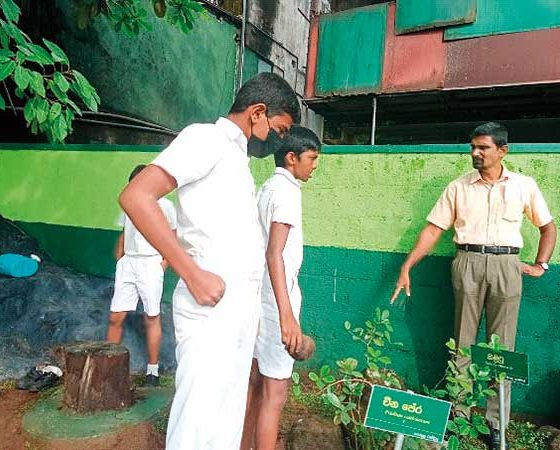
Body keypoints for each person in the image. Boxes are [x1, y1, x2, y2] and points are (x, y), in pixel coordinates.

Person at [118, 72, 301, 450]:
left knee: (224, 425)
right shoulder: (206, 139)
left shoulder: (237, 160)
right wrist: (191, 273)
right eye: (280, 130)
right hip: (209, 314)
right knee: (197, 427)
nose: (279, 141)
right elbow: (136, 196)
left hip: (235, 319)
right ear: (258, 112)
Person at [390, 122, 556, 449]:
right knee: (462, 344)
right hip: (467, 261)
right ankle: (460, 417)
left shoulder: (523, 186)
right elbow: (433, 229)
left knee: (500, 351)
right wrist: (407, 266)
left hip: (507, 265)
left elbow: (548, 227)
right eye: (473, 147)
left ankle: (496, 425)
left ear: (502, 150)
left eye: (483, 147)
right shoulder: (459, 188)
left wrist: (541, 264)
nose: (476, 153)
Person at [241, 127, 321, 450]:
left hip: (259, 297)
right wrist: (287, 316)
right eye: (312, 158)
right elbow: (274, 254)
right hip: (277, 300)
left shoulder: (267, 188)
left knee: (254, 386)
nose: (315, 166)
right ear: (292, 158)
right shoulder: (287, 192)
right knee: (275, 394)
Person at [106, 164, 177, 386]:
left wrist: (163, 264)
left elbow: (173, 236)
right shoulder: (129, 204)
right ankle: (109, 367)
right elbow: (124, 231)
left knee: (151, 317)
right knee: (116, 316)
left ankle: (152, 371)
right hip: (128, 263)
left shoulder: (165, 206)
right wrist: (120, 256)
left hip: (150, 263)